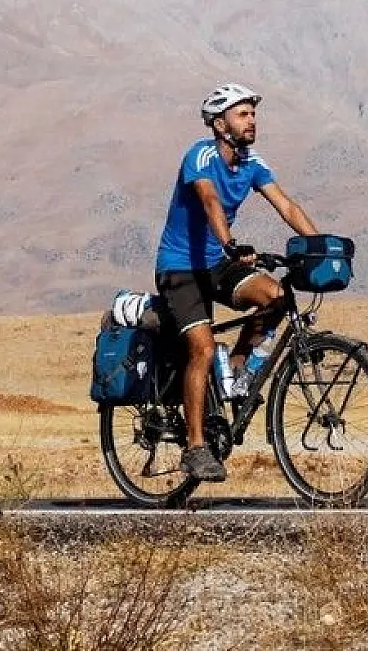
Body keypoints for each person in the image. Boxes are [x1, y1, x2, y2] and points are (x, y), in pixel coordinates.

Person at [153, 82, 319, 482]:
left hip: (216, 265)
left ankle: (240, 370)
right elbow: (210, 200)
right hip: (180, 269)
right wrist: (229, 243)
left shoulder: (252, 163)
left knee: (276, 296)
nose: (252, 120)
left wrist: (319, 247)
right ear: (219, 123)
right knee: (203, 348)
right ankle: (195, 447)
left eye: (253, 114)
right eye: (243, 114)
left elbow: (286, 205)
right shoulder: (201, 155)